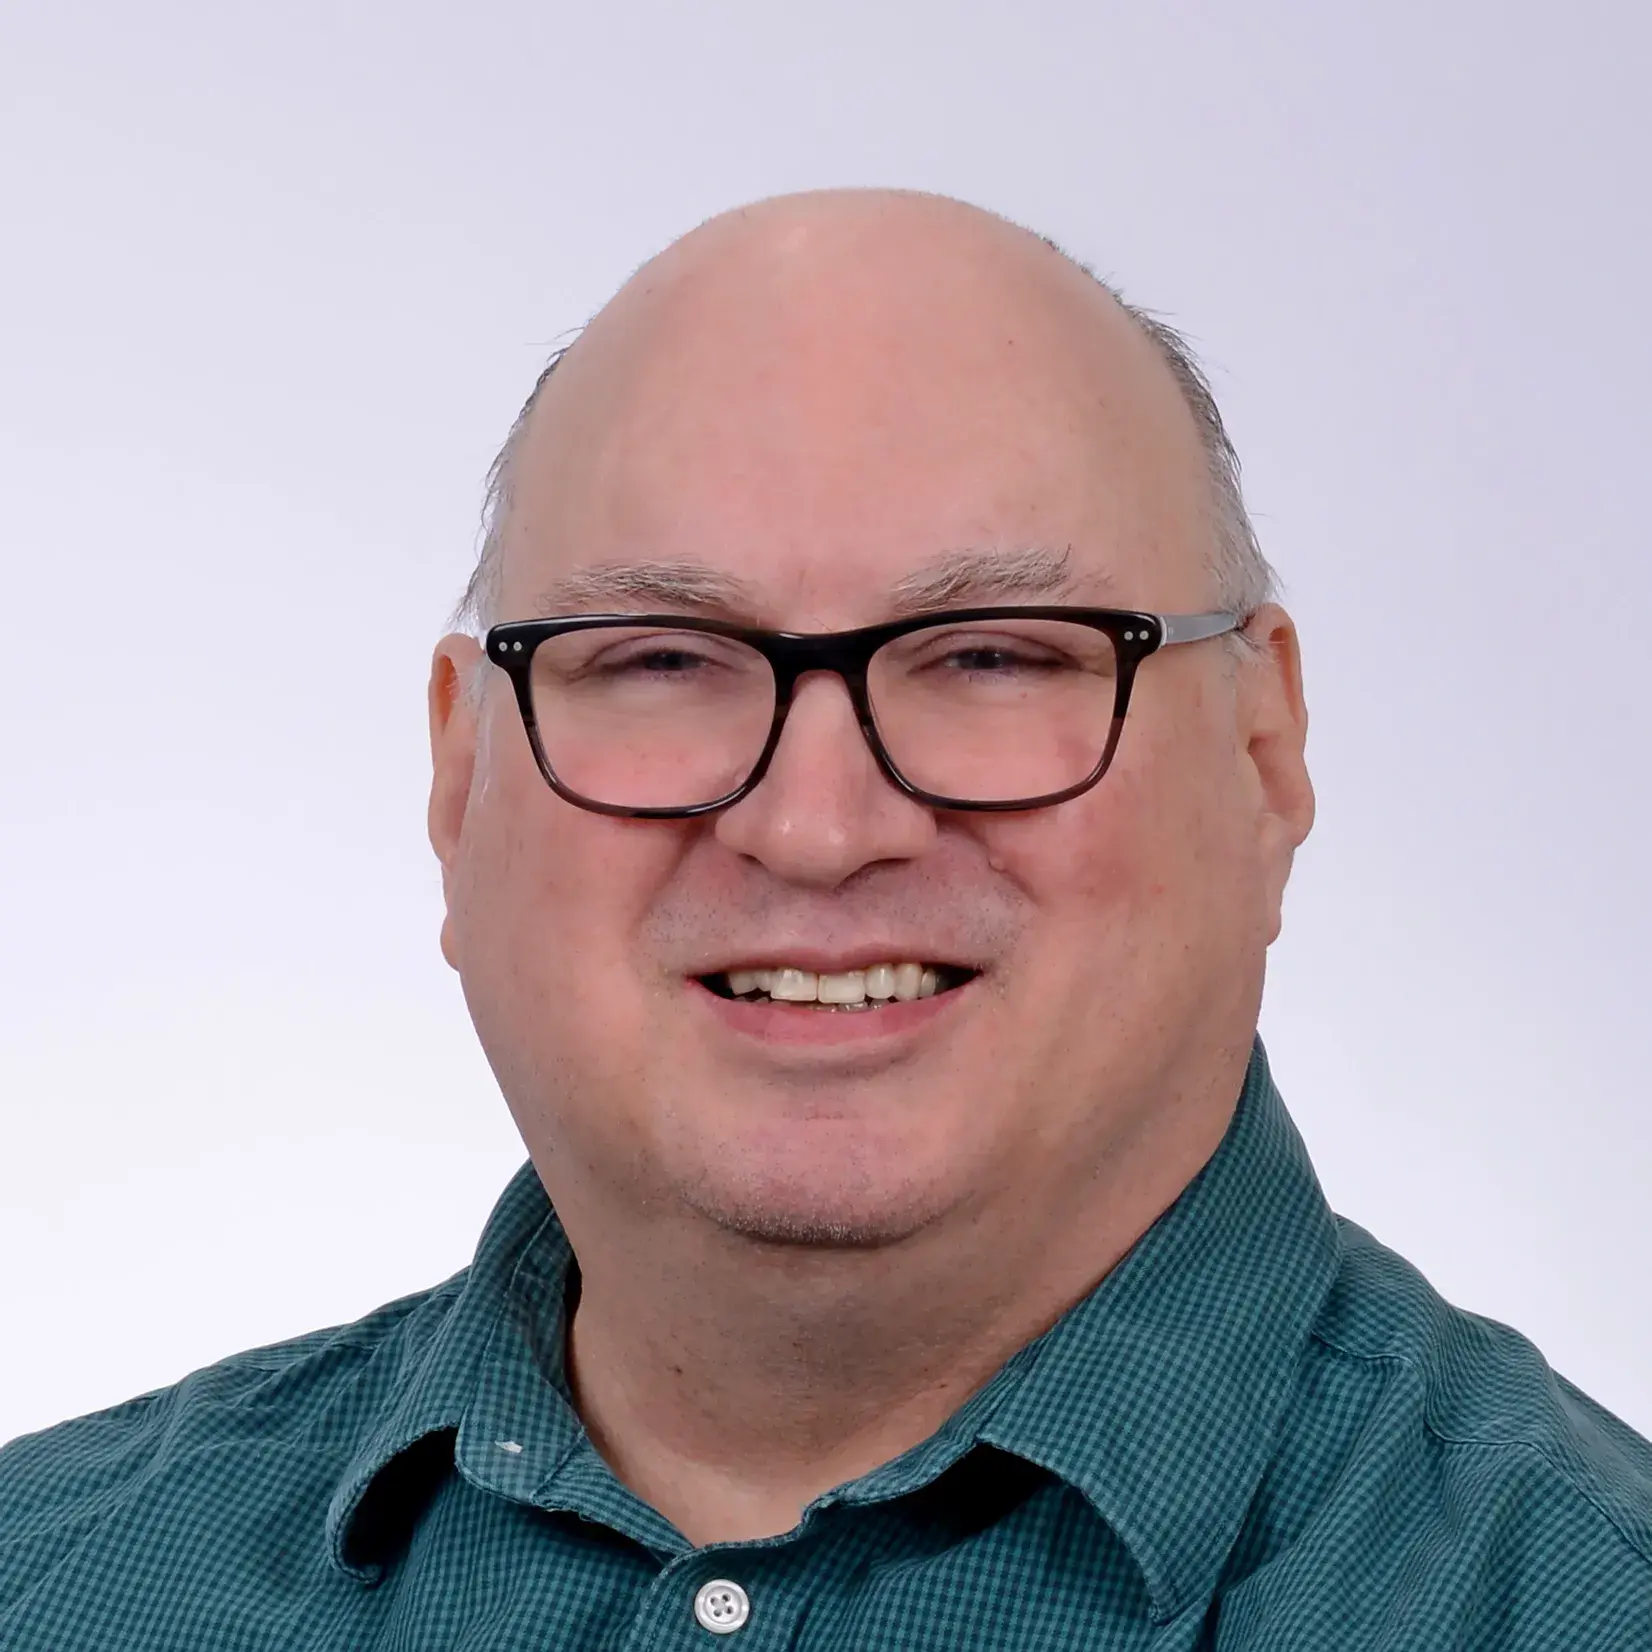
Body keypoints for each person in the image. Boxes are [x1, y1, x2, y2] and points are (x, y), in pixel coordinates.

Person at [3, 188, 1648, 1650]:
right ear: (457, 780)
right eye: (657, 662)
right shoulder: (53, 1584)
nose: (816, 825)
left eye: (995, 654)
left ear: (1264, 752)